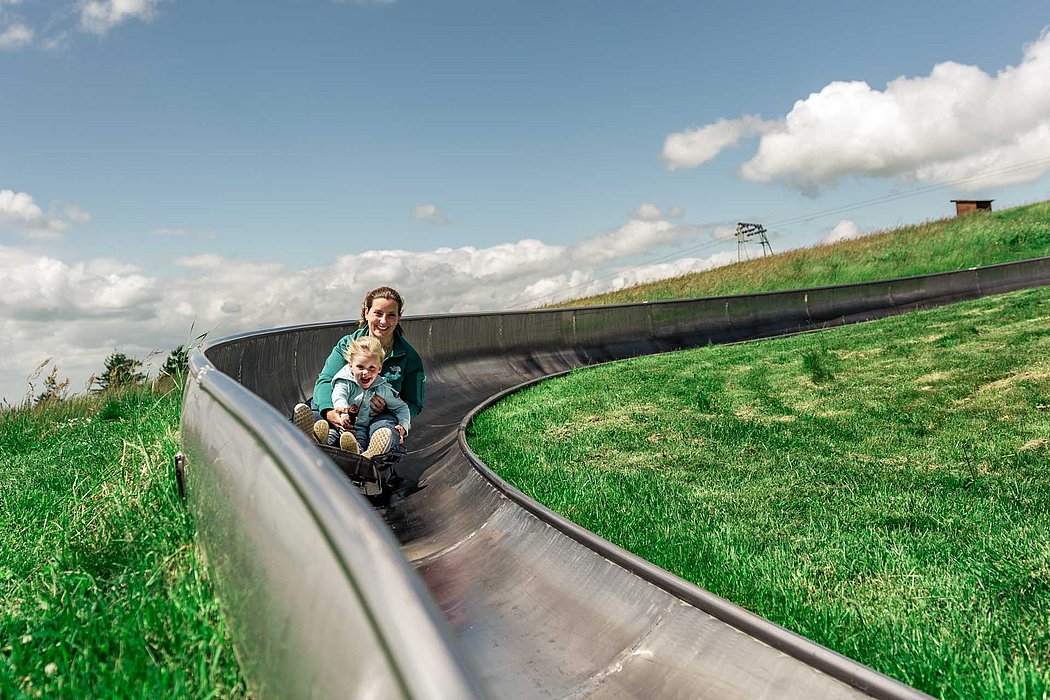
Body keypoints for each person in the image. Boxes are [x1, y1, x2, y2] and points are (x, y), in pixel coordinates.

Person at [293, 286, 425, 457]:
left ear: (399, 318)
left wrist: (389, 407)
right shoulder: (347, 345)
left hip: (380, 416)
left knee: (386, 431)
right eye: (378, 313)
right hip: (342, 407)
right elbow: (325, 381)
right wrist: (330, 411)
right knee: (318, 415)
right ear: (366, 312)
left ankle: (367, 455)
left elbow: (414, 403)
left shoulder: (409, 357)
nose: (383, 321)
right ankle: (315, 438)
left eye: (391, 315)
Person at [313, 335, 411, 458]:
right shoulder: (344, 381)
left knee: (361, 441)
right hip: (339, 423)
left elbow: (402, 407)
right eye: (360, 367)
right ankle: (318, 441)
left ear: (379, 368)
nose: (366, 372)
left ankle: (363, 455)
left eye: (372, 368)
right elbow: (339, 396)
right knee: (332, 434)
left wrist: (403, 425)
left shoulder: (382, 388)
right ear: (351, 366)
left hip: (360, 429)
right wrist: (343, 413)